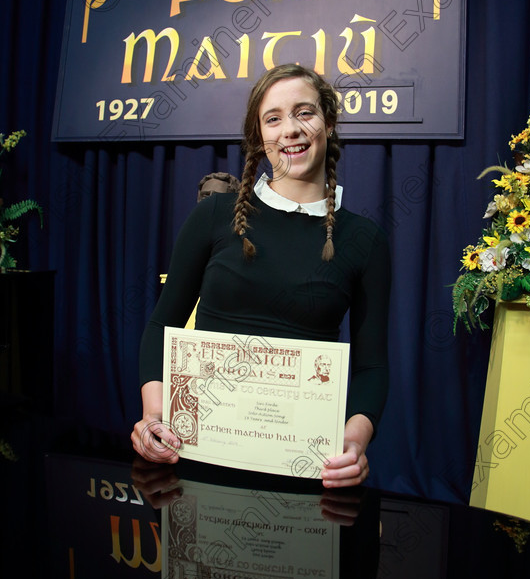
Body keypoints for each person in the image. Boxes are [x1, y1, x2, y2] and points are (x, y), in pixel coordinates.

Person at [131, 63, 391, 488]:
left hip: (306, 472)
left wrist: (354, 443)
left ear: (328, 122)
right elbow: (163, 323)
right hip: (196, 461)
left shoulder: (365, 241)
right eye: (273, 118)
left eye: (304, 112)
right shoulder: (213, 217)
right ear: (259, 138)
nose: (290, 129)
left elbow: (371, 366)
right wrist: (153, 417)